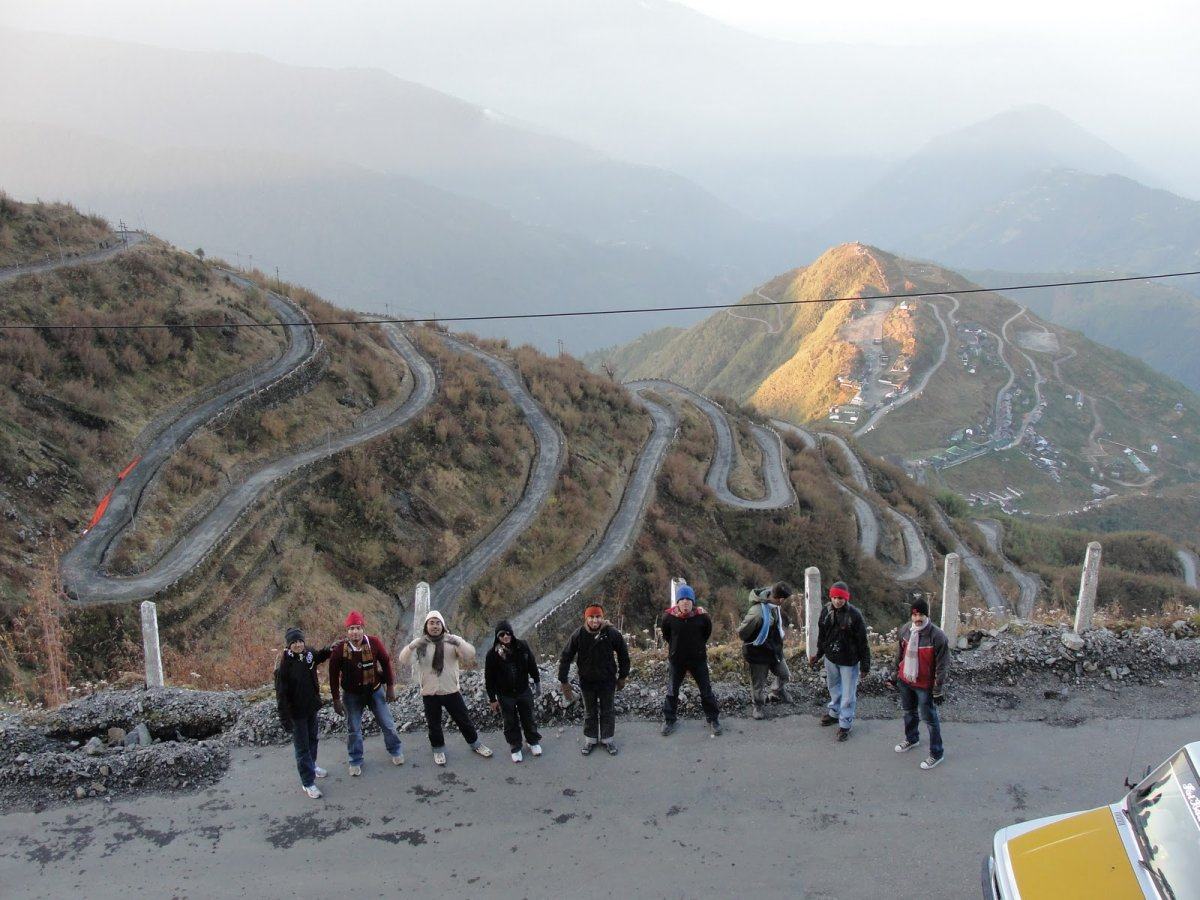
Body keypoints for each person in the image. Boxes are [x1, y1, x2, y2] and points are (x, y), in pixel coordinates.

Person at [399, 610, 493, 766]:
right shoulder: (421, 644)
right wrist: (411, 645)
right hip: (430, 692)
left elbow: (470, 654)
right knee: (433, 724)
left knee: (463, 720)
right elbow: (404, 660)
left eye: (438, 623)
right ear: (426, 626)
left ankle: (475, 744)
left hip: (451, 691)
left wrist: (457, 641)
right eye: (431, 623)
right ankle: (438, 750)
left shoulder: (451, 641)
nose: (435, 626)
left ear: (442, 625)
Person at [329, 610, 405, 776]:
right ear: (347, 631)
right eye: (351, 629)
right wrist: (336, 699)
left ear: (363, 628)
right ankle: (355, 760)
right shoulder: (340, 650)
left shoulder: (374, 643)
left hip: (375, 690)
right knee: (353, 729)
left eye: (357, 628)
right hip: (351, 695)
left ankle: (396, 750)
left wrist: (390, 687)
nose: (354, 632)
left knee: (387, 724)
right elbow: (333, 676)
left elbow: (386, 663)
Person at [558, 603, 630, 756]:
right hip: (587, 681)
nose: (595, 620)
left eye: (598, 617)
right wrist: (564, 681)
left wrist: (622, 676)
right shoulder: (578, 635)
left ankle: (607, 739)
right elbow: (566, 657)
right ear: (586, 618)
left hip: (608, 681)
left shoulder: (612, 633)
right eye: (591, 617)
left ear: (602, 618)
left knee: (608, 711)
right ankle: (590, 740)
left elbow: (624, 654)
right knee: (590, 712)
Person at [887, 597, 950, 770]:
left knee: (930, 720)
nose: (917, 618)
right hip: (905, 680)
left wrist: (938, 689)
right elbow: (899, 655)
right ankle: (912, 738)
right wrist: (894, 676)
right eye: (914, 615)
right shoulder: (906, 630)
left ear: (926, 615)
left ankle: (937, 753)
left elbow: (942, 665)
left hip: (924, 685)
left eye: (921, 614)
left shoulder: (937, 636)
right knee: (909, 712)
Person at [808, 581, 871, 742]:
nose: (837, 601)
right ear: (831, 597)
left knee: (848, 694)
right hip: (831, 658)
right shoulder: (826, 611)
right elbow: (823, 635)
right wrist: (818, 654)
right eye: (835, 597)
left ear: (846, 598)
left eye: (841, 598)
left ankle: (845, 723)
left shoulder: (854, 615)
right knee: (833, 687)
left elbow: (862, 641)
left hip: (849, 661)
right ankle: (834, 713)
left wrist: (865, 665)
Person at [274, 626, 332, 798]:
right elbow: (281, 695)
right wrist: (285, 719)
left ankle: (312, 766)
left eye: (300, 641)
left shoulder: (308, 655)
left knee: (313, 739)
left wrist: (329, 650)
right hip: (296, 712)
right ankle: (307, 783)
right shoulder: (284, 665)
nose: (298, 645)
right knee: (302, 748)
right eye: (294, 642)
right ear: (289, 645)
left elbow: (320, 656)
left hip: (311, 707)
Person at [659, 584, 721, 736]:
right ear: (677, 602)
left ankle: (713, 719)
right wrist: (675, 648)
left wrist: (698, 648)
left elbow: (706, 633)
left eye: (688, 599)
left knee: (706, 690)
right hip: (677, 660)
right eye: (682, 599)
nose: (685, 602)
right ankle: (669, 719)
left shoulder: (702, 617)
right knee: (672, 691)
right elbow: (667, 635)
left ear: (693, 602)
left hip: (698, 659)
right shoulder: (669, 617)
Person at [484, 619, 543, 763]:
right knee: (510, 721)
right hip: (505, 695)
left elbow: (532, 664)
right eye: (501, 634)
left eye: (508, 633)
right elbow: (489, 678)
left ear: (512, 633)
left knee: (528, 717)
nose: (505, 637)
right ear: (497, 637)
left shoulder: (522, 646)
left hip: (523, 690)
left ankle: (532, 741)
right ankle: (515, 746)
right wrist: (492, 699)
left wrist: (537, 681)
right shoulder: (492, 655)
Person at [737, 582, 793, 719]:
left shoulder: (774, 605)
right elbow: (742, 633)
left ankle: (776, 690)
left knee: (784, 675)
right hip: (758, 652)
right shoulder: (758, 613)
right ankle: (758, 706)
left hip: (774, 649)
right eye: (784, 599)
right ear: (780, 599)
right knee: (758, 684)